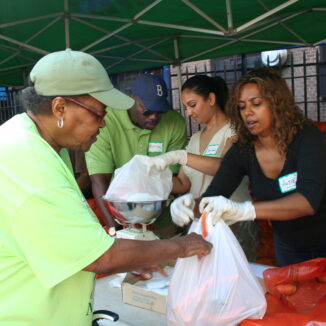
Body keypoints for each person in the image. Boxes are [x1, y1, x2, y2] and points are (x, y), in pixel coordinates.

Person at [0, 49, 212, 326]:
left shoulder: (41, 143)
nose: (103, 123)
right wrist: (179, 246)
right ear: (60, 108)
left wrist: (136, 257)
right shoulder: (28, 160)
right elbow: (102, 258)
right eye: (98, 114)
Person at [170, 68, 326, 267]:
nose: (248, 112)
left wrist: (244, 210)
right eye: (242, 107)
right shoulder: (244, 149)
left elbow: (306, 202)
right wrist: (189, 206)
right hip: (287, 245)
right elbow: (214, 195)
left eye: (256, 104)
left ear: (277, 103)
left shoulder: (306, 137)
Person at [140, 75, 255, 258]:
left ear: (211, 99)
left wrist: (179, 156)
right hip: (201, 224)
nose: (189, 113)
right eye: (186, 107)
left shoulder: (235, 131)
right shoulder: (194, 139)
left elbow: (225, 168)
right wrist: (157, 179)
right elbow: (183, 183)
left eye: (192, 105)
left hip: (232, 224)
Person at [85, 73, 187, 234]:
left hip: (161, 218)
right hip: (119, 215)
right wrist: (115, 230)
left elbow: (170, 179)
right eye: (147, 112)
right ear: (131, 100)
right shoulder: (107, 121)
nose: (154, 116)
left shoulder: (174, 122)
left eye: (160, 112)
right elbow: (99, 181)